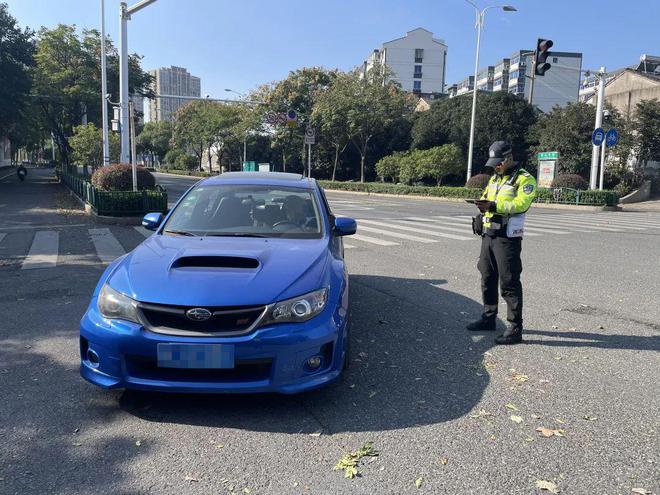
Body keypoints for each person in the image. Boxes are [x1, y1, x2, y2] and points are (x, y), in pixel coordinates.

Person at [467, 141, 537, 345]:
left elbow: (521, 204)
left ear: (508, 158)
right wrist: (481, 208)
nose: (495, 166)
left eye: (498, 163)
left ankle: (515, 328)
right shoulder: (495, 179)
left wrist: (495, 206)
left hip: (507, 237)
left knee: (509, 281)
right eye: (493, 164)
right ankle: (489, 317)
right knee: (487, 276)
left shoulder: (524, 179)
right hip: (489, 235)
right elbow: (485, 197)